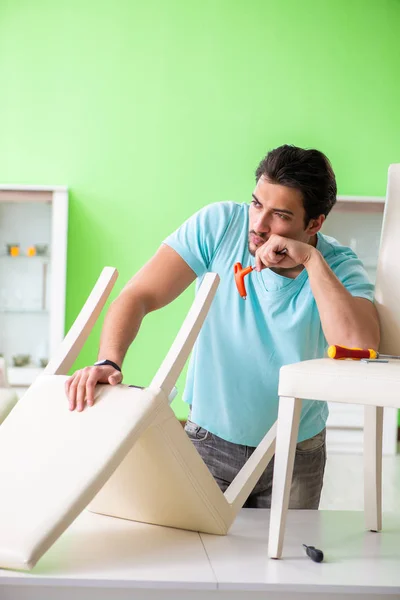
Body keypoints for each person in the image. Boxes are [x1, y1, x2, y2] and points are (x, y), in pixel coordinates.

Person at [66, 144, 380, 509]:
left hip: (296, 451)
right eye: (257, 203)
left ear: (315, 223)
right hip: (209, 443)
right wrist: (109, 361)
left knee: (290, 563)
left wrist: (311, 259)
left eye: (279, 215)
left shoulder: (337, 265)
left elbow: (359, 347)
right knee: (198, 561)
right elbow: (138, 296)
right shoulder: (219, 226)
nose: (259, 226)